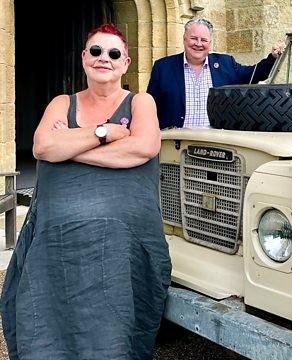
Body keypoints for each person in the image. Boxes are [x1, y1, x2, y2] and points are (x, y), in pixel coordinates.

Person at [0, 23, 171, 359]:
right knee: (45, 317)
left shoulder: (141, 103)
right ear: (83, 58)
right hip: (57, 238)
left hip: (121, 240)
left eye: (113, 53)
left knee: (111, 329)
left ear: (126, 62)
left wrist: (70, 148)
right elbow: (42, 146)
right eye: (95, 51)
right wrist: (107, 132)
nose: (103, 58)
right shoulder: (62, 102)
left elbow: (144, 148)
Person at [147, 18, 284, 129]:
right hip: (175, 143)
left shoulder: (226, 64)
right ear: (184, 39)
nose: (198, 44)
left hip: (215, 143)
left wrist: (272, 57)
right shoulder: (163, 67)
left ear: (210, 43)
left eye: (204, 40)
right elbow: (149, 108)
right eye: (193, 38)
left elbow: (254, 74)